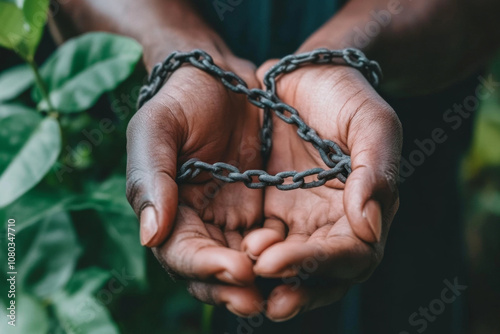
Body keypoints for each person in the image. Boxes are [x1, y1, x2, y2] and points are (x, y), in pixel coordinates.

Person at [53, 0, 500, 332]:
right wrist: (177, 52)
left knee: (403, 286)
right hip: (206, 155)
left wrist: (338, 54)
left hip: (397, 140)